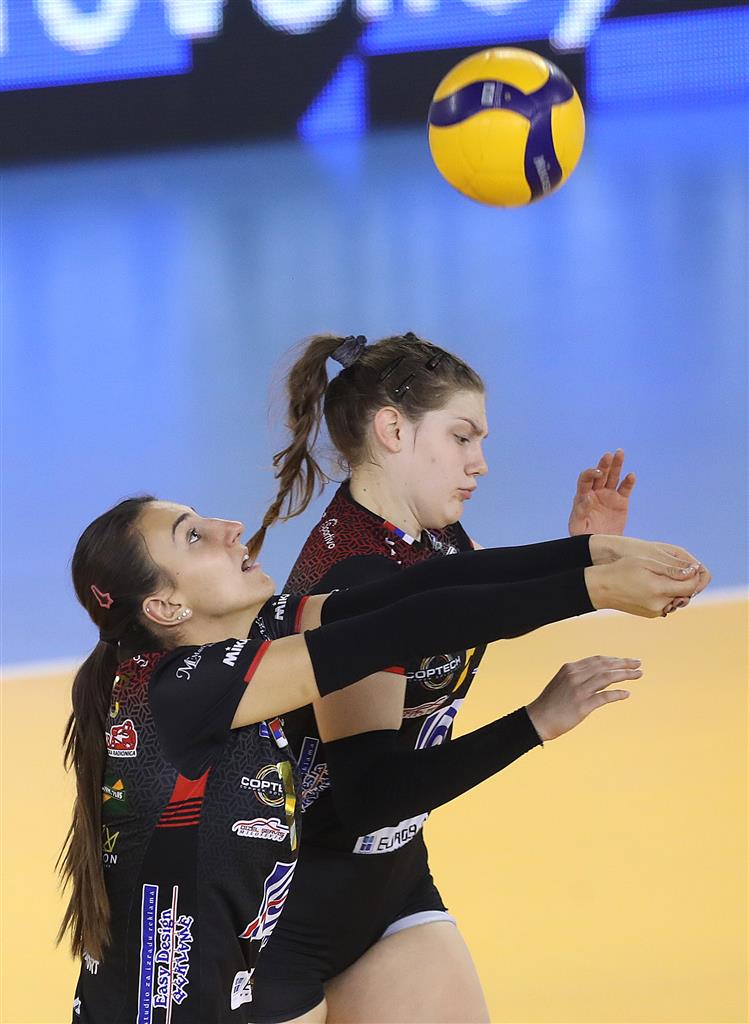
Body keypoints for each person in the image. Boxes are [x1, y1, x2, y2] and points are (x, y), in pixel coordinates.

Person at [58, 495, 704, 1023]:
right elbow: (404, 628)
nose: (230, 527)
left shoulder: (244, 642)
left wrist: (594, 553)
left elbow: (422, 589)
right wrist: (593, 589)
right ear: (165, 607)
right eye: (193, 537)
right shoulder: (181, 688)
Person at [246, 332, 706, 1024]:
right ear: (392, 429)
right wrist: (534, 723)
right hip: (282, 919)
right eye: (462, 437)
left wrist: (582, 549)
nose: (480, 463)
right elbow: (372, 797)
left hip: (391, 887)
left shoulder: (430, 538)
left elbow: (482, 602)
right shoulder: (353, 575)